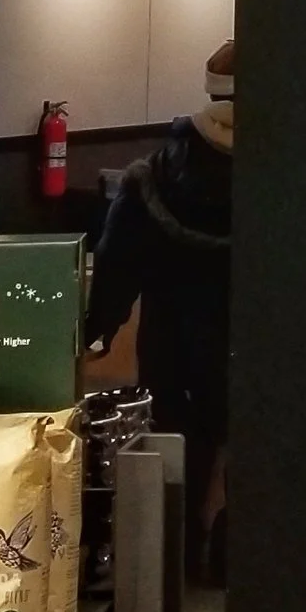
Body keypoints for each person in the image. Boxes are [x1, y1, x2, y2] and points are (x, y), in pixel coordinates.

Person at [89, 38, 235, 577]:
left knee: (177, 437)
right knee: (247, 438)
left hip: (171, 339)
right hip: (249, 339)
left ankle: (176, 548)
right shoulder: (283, 172)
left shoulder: (156, 171)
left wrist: (100, 327)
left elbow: (116, 259)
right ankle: (233, 550)